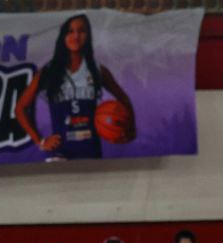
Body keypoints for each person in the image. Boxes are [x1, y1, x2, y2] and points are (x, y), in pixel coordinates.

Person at [13, 13, 137, 159]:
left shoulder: (97, 70)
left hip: (91, 149)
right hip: (61, 152)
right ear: (63, 37)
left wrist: (129, 130)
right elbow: (20, 108)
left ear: (87, 36)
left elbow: (124, 100)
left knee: (94, 182)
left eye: (81, 31)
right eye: (70, 31)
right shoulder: (49, 71)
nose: (76, 36)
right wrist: (41, 141)